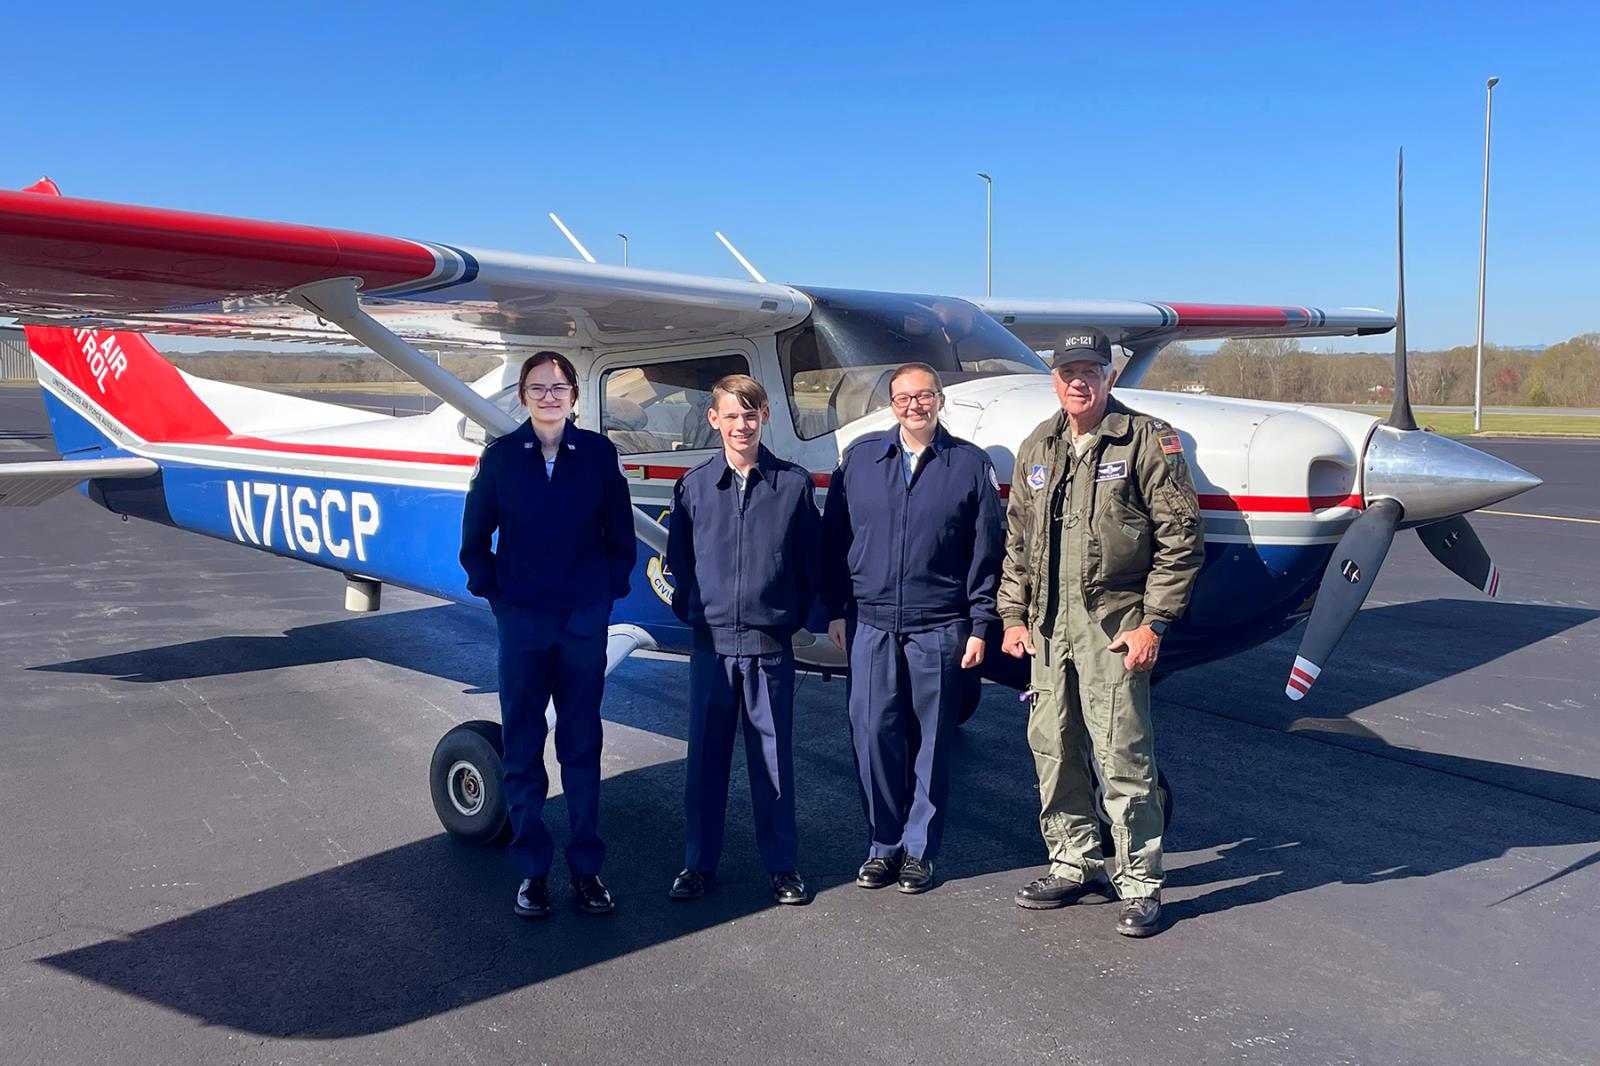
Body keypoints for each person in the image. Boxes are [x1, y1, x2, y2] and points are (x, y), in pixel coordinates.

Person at [997, 328, 1203, 937]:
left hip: (1112, 625)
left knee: (1123, 755)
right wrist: (1012, 615)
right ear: (1054, 379)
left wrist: (1153, 622)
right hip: (1046, 626)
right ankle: (1074, 861)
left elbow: (1181, 539)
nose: (1077, 381)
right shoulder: (1039, 445)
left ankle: (1139, 882)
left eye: (1089, 370)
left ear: (1109, 377)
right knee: (1054, 750)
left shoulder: (1144, 439)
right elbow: (1017, 541)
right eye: (1067, 372)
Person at [460, 351, 638, 918]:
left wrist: (604, 595)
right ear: (522, 395)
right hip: (524, 625)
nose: (548, 396)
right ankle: (532, 871)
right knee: (522, 747)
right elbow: (475, 540)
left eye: (558, 387)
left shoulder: (599, 455)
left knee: (581, 748)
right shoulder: (502, 458)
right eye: (537, 387)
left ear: (574, 396)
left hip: (583, 622)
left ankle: (586, 869)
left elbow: (620, 536)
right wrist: (500, 599)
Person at [821, 362, 1004, 894]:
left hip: (940, 623)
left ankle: (919, 849)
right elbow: (834, 540)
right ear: (891, 404)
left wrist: (979, 623)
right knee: (873, 733)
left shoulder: (969, 465)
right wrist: (835, 607)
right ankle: (883, 843)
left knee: (930, 739)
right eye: (904, 397)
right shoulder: (859, 460)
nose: (914, 406)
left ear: (939, 401)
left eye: (924, 396)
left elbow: (986, 552)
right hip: (870, 622)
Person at [665, 374, 820, 906]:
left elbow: (809, 563)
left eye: (750, 415)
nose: (741, 425)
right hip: (711, 649)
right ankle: (697, 864)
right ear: (714, 419)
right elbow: (678, 564)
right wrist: (696, 614)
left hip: (768, 650)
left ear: (765, 418)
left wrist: (786, 618)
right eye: (731, 415)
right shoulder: (693, 487)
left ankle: (782, 867)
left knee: (772, 765)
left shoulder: (794, 486)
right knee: (705, 764)